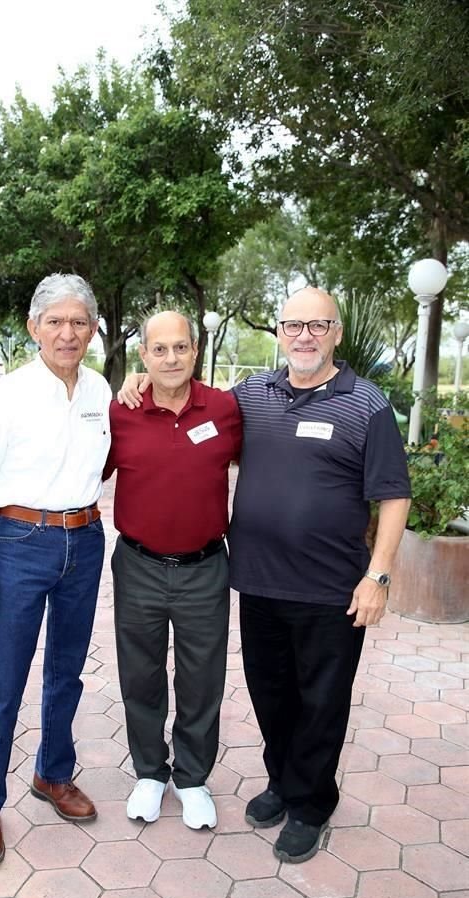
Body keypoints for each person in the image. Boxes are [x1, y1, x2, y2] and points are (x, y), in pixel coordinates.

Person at [119, 286, 411, 862]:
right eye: (294, 325)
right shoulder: (250, 397)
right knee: (270, 692)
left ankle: (311, 804)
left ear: (337, 333)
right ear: (278, 332)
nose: (305, 335)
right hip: (256, 581)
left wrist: (376, 577)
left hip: (331, 588)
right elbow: (183, 415)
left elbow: (394, 495)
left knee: (322, 699)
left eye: (318, 326)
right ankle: (281, 782)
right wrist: (139, 383)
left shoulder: (366, 404)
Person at [0, 273, 111, 866]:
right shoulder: (5, 395)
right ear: (33, 327)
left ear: (93, 330)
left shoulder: (99, 391)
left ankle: (53, 773)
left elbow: (108, 459)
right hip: (19, 543)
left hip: (84, 541)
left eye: (78, 322)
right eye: (55, 322)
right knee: (5, 679)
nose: (67, 333)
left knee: (66, 671)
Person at [105, 311, 242, 829]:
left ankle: (192, 778)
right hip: (137, 565)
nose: (170, 358)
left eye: (179, 348)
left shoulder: (226, 409)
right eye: (158, 350)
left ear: (195, 351)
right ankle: (149, 771)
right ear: (143, 355)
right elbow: (78, 465)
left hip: (205, 568)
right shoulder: (122, 411)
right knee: (139, 672)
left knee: (202, 677)